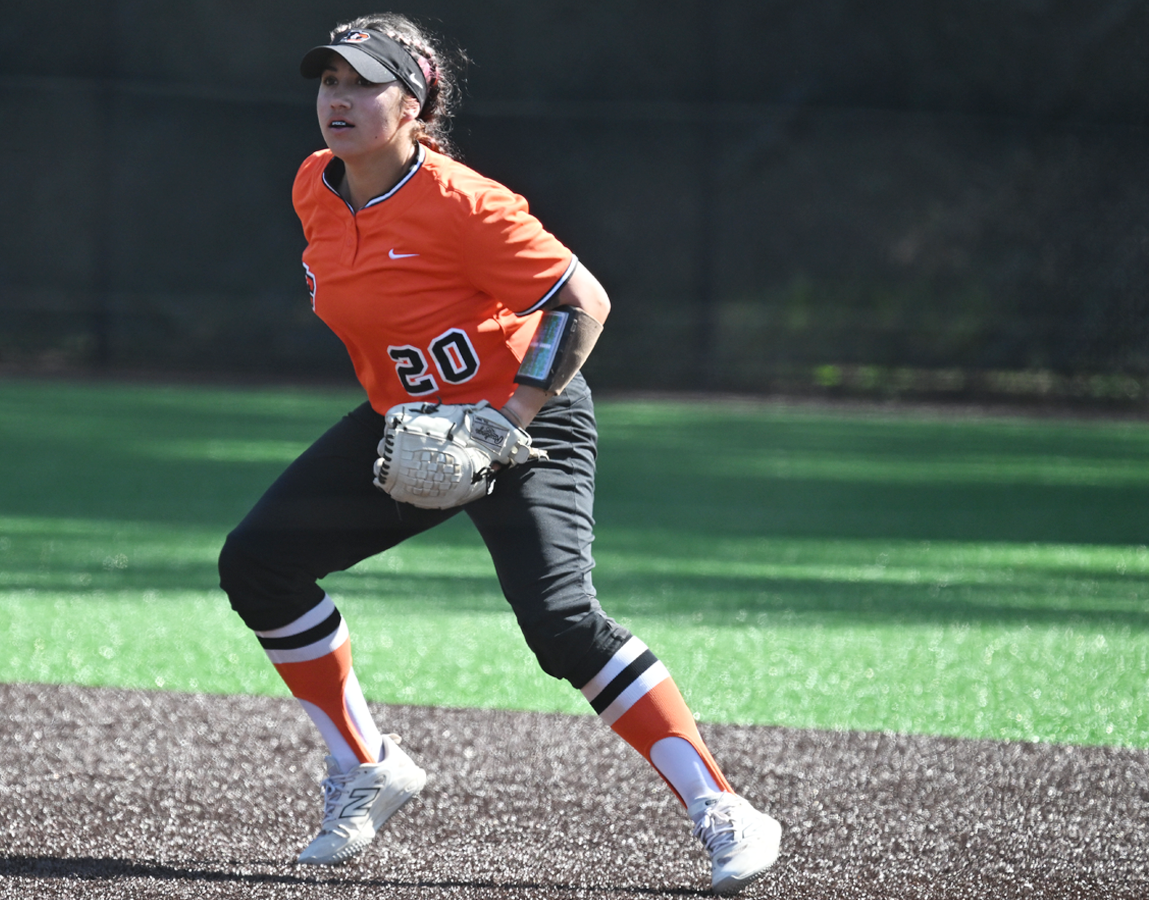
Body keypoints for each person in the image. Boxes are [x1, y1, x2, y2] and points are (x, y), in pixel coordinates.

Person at [217, 13, 782, 895]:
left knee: (561, 623)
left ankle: (725, 808)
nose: (340, 99)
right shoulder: (314, 187)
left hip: (525, 417)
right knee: (258, 565)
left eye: (364, 83)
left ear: (414, 103)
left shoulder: (464, 203)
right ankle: (367, 764)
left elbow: (582, 303)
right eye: (329, 81)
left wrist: (506, 416)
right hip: (407, 423)